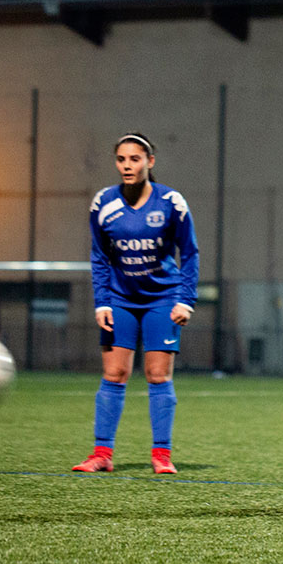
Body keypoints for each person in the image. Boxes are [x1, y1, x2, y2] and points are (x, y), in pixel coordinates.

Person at [72, 133, 198, 475]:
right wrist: (102, 302)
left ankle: (161, 456)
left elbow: (189, 253)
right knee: (115, 373)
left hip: (163, 299)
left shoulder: (171, 202)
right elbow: (99, 257)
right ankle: (102, 454)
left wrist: (185, 299)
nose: (127, 166)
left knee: (158, 375)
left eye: (135, 159)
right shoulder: (103, 203)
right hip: (120, 299)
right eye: (121, 159)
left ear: (150, 162)